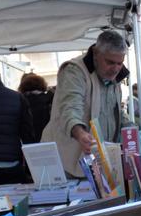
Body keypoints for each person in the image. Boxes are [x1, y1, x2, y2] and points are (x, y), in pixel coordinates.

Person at [41, 30, 130, 178]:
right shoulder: (74, 71)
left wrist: (132, 130)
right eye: (110, 62)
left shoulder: (115, 78)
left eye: (119, 63)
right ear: (95, 54)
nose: (115, 69)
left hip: (97, 163)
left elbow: (115, 114)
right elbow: (70, 107)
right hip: (68, 162)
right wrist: (80, 133)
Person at [18, 73, 53, 145]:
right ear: (42, 85)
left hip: (27, 143)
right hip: (48, 140)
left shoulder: (19, 101)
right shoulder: (49, 100)